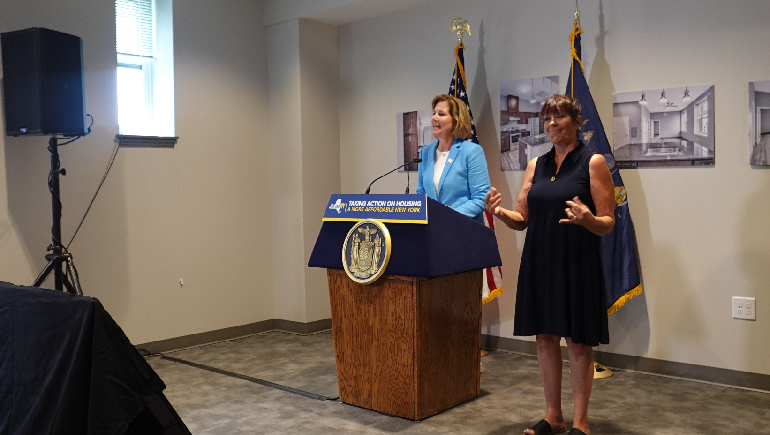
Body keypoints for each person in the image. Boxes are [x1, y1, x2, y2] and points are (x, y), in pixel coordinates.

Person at [484, 95, 615, 435]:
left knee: (578, 342)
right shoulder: (535, 165)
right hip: (540, 262)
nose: (553, 124)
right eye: (547, 119)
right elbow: (521, 218)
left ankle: (581, 423)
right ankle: (554, 416)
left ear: (575, 121)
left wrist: (588, 219)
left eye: (559, 117)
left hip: (577, 262)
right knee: (545, 338)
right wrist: (500, 213)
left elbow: (608, 221)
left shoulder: (593, 161)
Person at [416, 94, 490, 223]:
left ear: (456, 120)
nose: (434, 118)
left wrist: (448, 215)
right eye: (434, 113)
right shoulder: (425, 152)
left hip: (463, 230)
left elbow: (481, 198)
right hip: (432, 232)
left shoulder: (471, 151)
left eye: (441, 114)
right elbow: (421, 193)